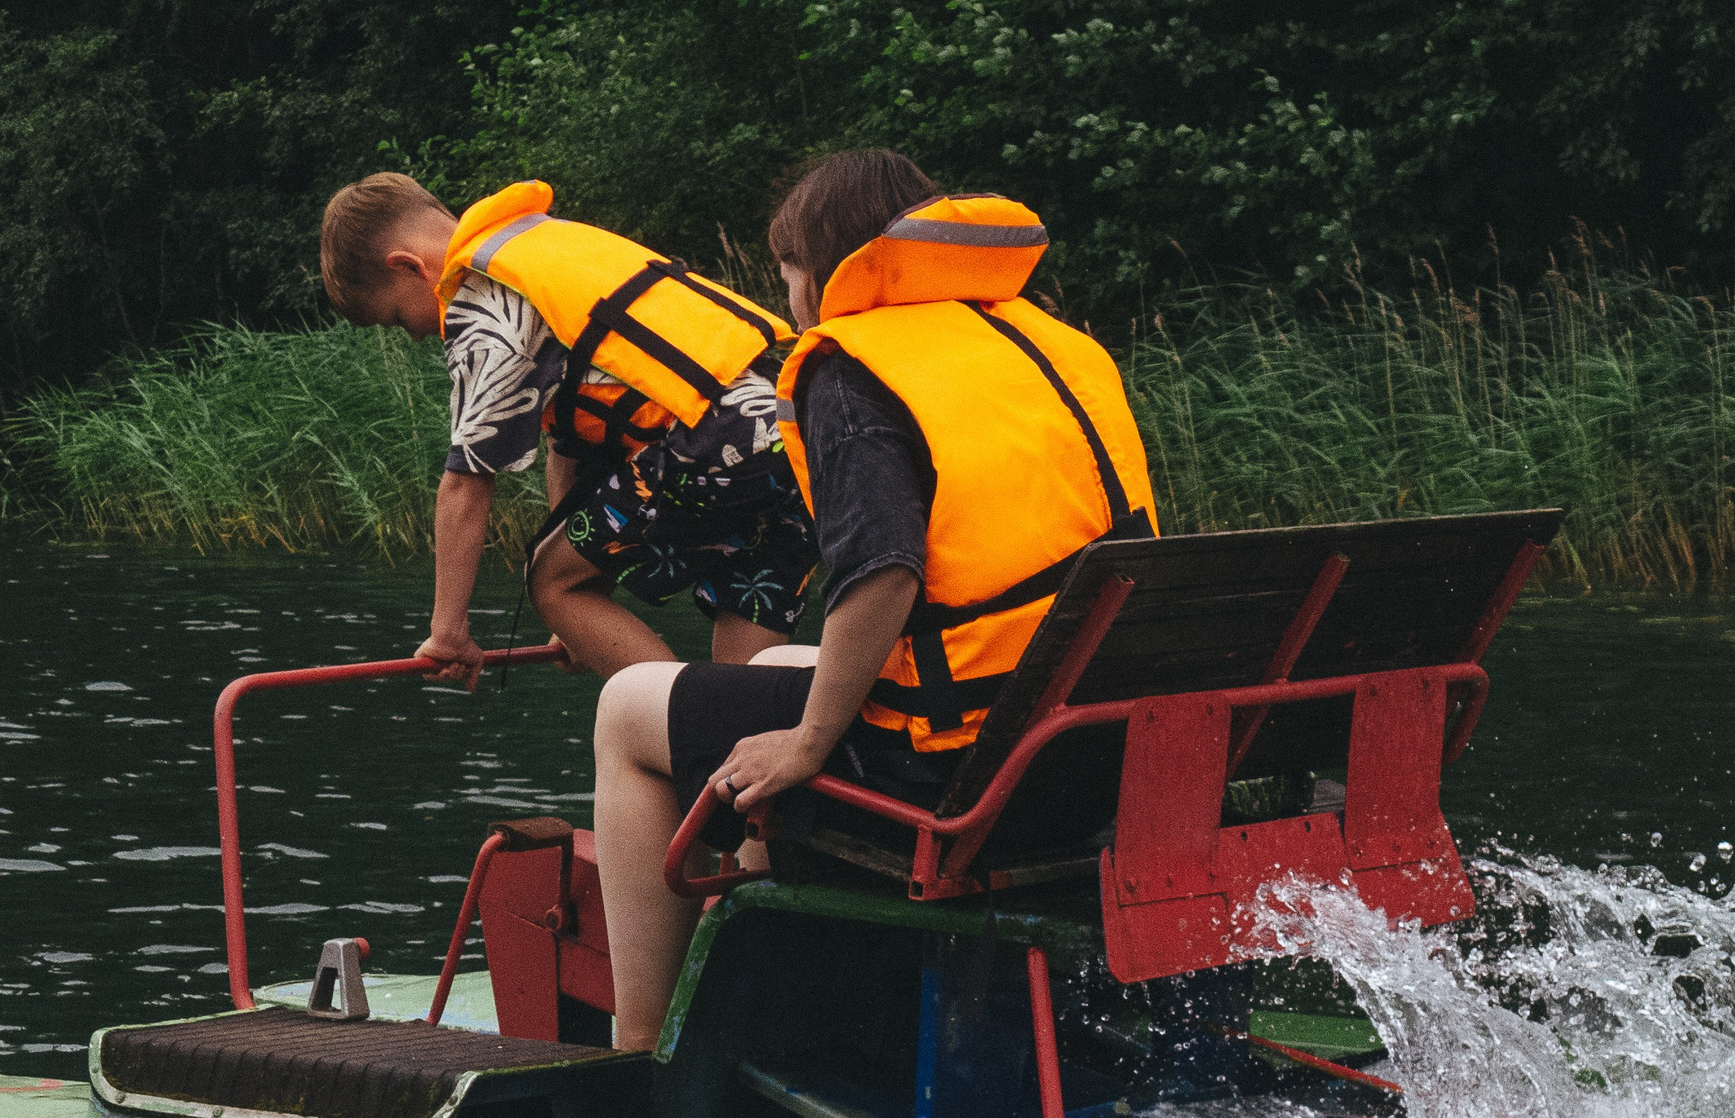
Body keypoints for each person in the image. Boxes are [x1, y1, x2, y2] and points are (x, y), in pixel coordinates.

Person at [593, 151, 1157, 1049]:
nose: (784, 294)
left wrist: (810, 743)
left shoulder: (856, 369)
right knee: (774, 663)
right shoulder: (1050, 342)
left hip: (967, 770)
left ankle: (642, 1048)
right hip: (1098, 738)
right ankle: (772, 980)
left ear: (824, 267)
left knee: (626, 711)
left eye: (785, 272)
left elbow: (883, 575)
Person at [319, 173, 818, 684]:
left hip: (719, 440)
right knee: (742, 659)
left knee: (550, 581)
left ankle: (685, 728)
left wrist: (449, 630)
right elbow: (570, 444)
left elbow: (466, 483)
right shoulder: (544, 243)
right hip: (796, 432)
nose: (419, 335)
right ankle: (733, 737)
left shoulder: (484, 299)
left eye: (399, 319)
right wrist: (584, 614)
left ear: (407, 267)